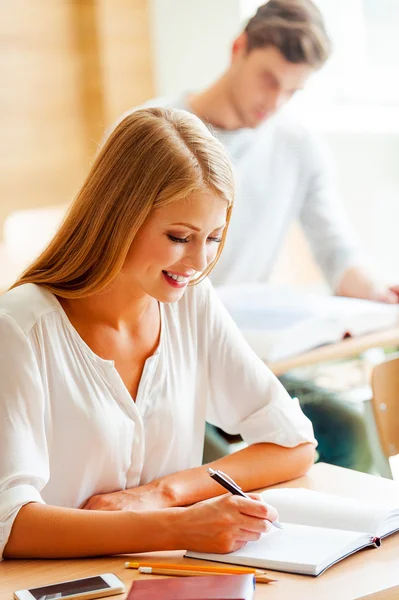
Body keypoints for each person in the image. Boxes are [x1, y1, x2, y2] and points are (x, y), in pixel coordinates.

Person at [0, 108, 315, 560]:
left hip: (164, 580)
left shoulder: (192, 304)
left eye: (212, 238)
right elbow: (10, 526)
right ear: (117, 217)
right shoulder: (20, 329)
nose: (197, 262)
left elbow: (295, 444)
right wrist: (176, 528)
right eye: (179, 236)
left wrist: (164, 494)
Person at [112, 0, 399, 472]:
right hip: (161, 356)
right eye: (269, 79)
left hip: (248, 350)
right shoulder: (155, 133)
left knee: (344, 429)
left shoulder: (297, 145)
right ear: (238, 48)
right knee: (221, 463)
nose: (276, 101)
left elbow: (335, 248)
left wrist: (377, 294)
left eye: (294, 90)